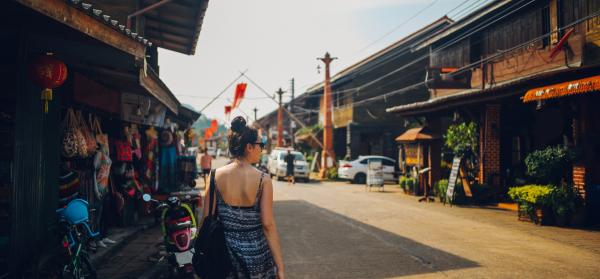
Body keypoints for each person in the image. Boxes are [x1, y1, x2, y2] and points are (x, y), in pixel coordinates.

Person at [203, 116, 285, 279]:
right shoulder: (264, 180)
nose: (261, 149)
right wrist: (280, 266)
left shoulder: (214, 177)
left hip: (224, 255)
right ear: (249, 147)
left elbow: (207, 219)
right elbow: (268, 224)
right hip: (257, 257)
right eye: (260, 145)